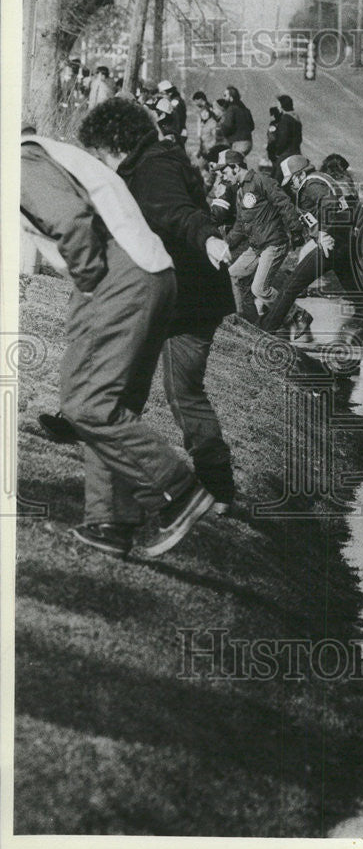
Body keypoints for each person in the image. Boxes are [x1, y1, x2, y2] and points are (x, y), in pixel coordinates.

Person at [20, 132, 215, 558]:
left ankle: (178, 492)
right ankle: (111, 522)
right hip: (150, 272)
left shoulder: (20, 164)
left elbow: (73, 224)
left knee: (88, 404)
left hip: (120, 276)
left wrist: (89, 291)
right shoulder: (41, 155)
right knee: (105, 405)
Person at [78, 98, 237, 515]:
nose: (100, 164)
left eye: (100, 155)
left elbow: (178, 212)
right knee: (139, 375)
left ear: (115, 144)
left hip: (191, 297)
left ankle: (215, 489)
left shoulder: (154, 168)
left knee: (181, 392)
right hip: (175, 292)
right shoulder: (146, 162)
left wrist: (208, 239)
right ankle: (86, 426)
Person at [259, 155, 363, 338]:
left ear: (299, 175)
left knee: (290, 286)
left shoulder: (311, 184)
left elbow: (330, 205)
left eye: (291, 181)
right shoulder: (322, 179)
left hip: (331, 246)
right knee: (360, 297)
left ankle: (265, 333)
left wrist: (323, 232)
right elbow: (346, 205)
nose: (290, 187)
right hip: (343, 244)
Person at [219, 150, 304, 317]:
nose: (224, 177)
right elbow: (240, 225)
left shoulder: (261, 181)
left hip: (273, 244)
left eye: (225, 172)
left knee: (259, 289)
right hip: (257, 247)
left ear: (235, 168)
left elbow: (284, 203)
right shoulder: (240, 191)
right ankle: (239, 320)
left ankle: (297, 315)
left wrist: (296, 230)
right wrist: (224, 245)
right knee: (232, 275)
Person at [219, 85, 255, 157]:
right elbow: (252, 126)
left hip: (238, 143)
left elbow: (227, 126)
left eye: (225, 95)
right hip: (247, 142)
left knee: (233, 163)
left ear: (231, 98)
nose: (223, 98)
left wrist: (221, 132)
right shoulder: (245, 109)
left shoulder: (231, 109)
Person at [272, 95, 302, 163]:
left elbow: (283, 139)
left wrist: (277, 152)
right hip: (296, 152)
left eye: (278, 105)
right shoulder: (295, 118)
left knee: (276, 172)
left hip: (286, 154)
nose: (277, 107)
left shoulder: (285, 119)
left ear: (282, 106)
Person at [157, 80, 188, 146]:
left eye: (162, 93)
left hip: (178, 133)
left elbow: (176, 119)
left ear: (170, 93)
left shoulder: (175, 102)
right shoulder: (175, 100)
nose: (161, 96)